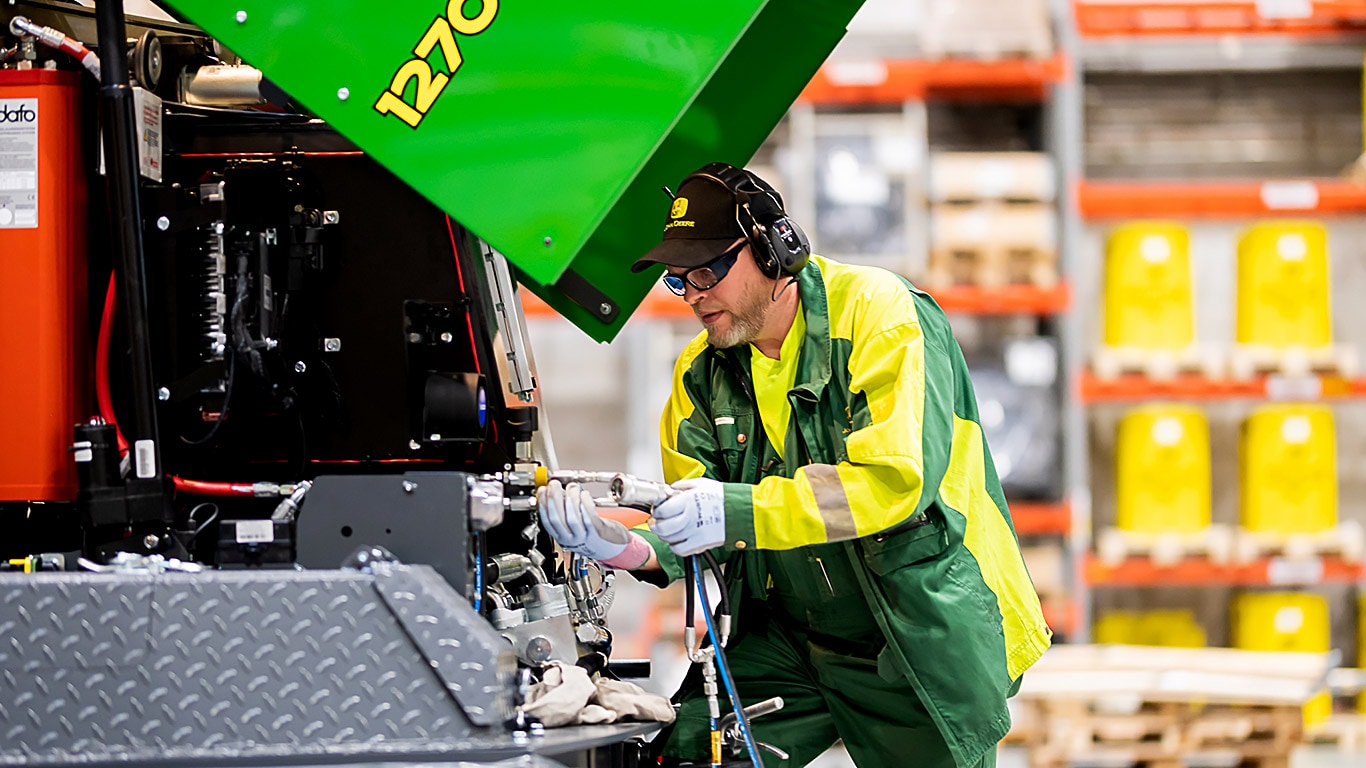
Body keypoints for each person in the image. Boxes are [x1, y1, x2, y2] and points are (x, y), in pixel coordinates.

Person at [537, 162, 1051, 768]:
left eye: (707, 270)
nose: (695, 295)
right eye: (680, 280)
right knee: (682, 758)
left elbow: (894, 482)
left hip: (908, 627)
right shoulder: (701, 375)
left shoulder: (880, 316)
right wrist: (620, 543)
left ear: (773, 247)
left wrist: (730, 510)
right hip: (790, 638)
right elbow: (700, 528)